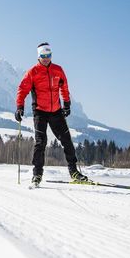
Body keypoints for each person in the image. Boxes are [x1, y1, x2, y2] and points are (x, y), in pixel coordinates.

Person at [15, 42, 88, 186]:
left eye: (48, 55)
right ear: (38, 56)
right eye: (43, 56)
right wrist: (19, 107)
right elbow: (22, 90)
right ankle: (37, 174)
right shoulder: (32, 72)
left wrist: (66, 103)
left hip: (56, 111)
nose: (46, 58)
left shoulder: (58, 70)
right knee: (41, 142)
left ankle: (74, 171)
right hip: (40, 112)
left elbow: (64, 86)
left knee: (67, 140)